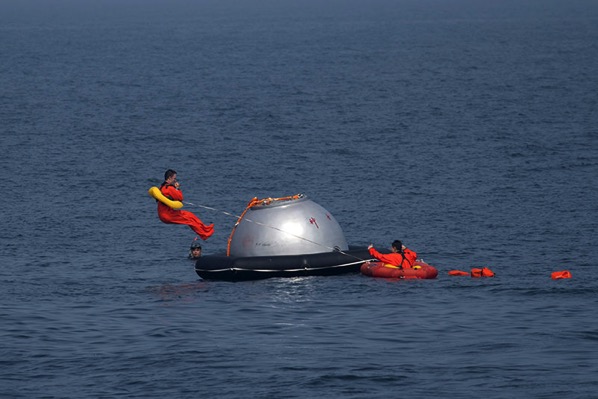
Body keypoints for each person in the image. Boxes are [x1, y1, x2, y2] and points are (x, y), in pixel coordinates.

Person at [157, 169, 214, 240]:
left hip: (164, 215)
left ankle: (206, 229)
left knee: (190, 216)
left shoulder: (162, 187)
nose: (175, 181)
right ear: (169, 178)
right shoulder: (169, 188)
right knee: (189, 219)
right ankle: (205, 234)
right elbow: (180, 197)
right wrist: (177, 188)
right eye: (174, 179)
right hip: (168, 215)